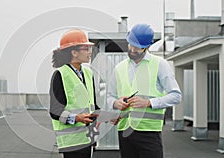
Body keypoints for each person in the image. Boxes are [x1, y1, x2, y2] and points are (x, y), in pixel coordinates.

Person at [107, 24, 182, 158]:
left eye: (137, 47)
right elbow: (109, 96)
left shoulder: (160, 65)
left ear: (147, 47)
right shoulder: (119, 68)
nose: (132, 49)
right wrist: (115, 103)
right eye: (130, 44)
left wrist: (149, 103)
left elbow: (176, 96)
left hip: (149, 133)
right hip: (125, 132)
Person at [49, 29, 100, 158]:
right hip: (71, 142)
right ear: (74, 52)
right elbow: (55, 111)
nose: (90, 52)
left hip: (88, 137)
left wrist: (106, 116)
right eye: (86, 48)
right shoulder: (60, 74)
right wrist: (77, 118)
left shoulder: (88, 74)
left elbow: (92, 104)